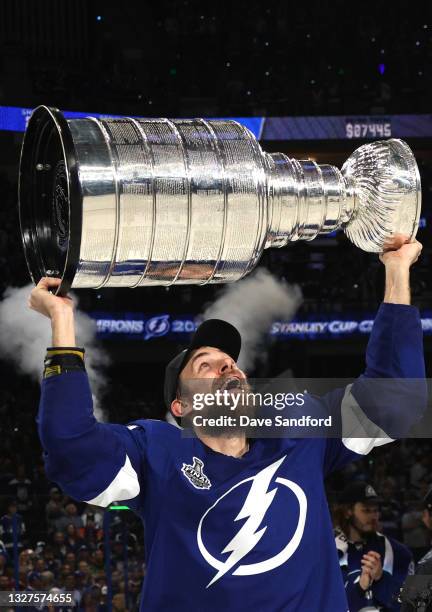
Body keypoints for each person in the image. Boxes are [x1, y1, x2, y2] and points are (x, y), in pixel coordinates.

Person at [31, 241, 427, 611]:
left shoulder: (298, 428)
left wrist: (396, 269)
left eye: (231, 362)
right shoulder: (157, 450)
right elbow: (71, 449)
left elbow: (395, 404)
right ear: (182, 405)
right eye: (206, 365)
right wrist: (63, 322)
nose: (229, 367)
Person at [333, 481, 414, 611]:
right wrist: (359, 588)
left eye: (376, 510)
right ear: (348, 511)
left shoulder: (400, 552)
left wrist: (381, 579)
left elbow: (417, 604)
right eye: (366, 510)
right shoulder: (329, 553)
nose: (373, 516)